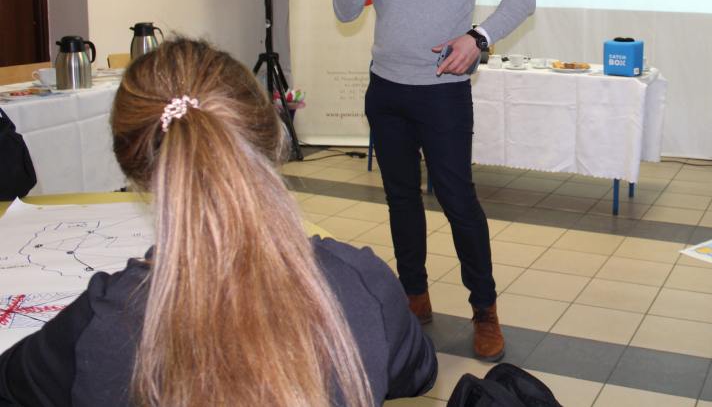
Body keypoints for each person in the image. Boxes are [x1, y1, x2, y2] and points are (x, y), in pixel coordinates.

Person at [0, 38, 437, 406]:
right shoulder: (360, 283)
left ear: (132, 165)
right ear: (274, 139)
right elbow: (418, 373)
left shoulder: (106, 318)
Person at [334, 0, 535, 362]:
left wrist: (478, 37)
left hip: (441, 92)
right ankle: (414, 295)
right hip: (386, 89)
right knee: (401, 198)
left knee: (457, 200)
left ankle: (484, 309)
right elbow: (346, 10)